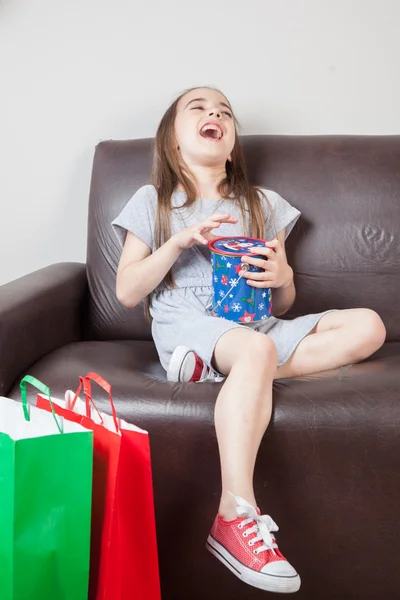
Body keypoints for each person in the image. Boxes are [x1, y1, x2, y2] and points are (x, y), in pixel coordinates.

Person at [112, 86, 386, 593]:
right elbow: (128, 292)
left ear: (232, 144)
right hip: (189, 320)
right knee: (255, 351)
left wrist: (282, 277)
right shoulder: (153, 200)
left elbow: (282, 306)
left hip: (252, 327)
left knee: (369, 325)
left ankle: (225, 374)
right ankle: (234, 514)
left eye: (224, 112)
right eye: (198, 108)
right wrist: (178, 242)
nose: (214, 113)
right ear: (173, 141)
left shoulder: (262, 204)